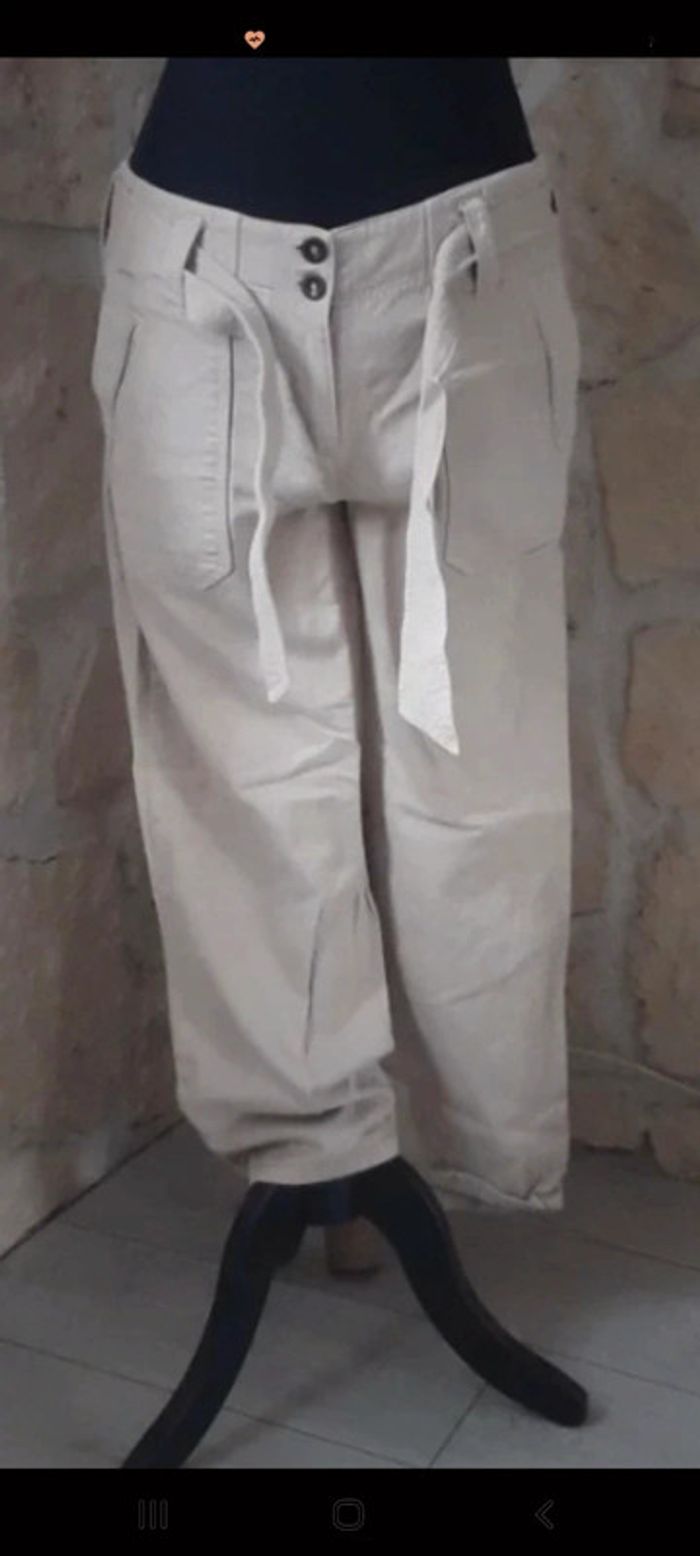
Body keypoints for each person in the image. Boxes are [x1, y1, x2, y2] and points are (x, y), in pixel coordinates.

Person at [90, 56, 581, 1221]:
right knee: (237, 773)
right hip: (204, 271)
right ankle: (312, 1149)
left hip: (462, 267)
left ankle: (470, 1140)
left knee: (478, 758)